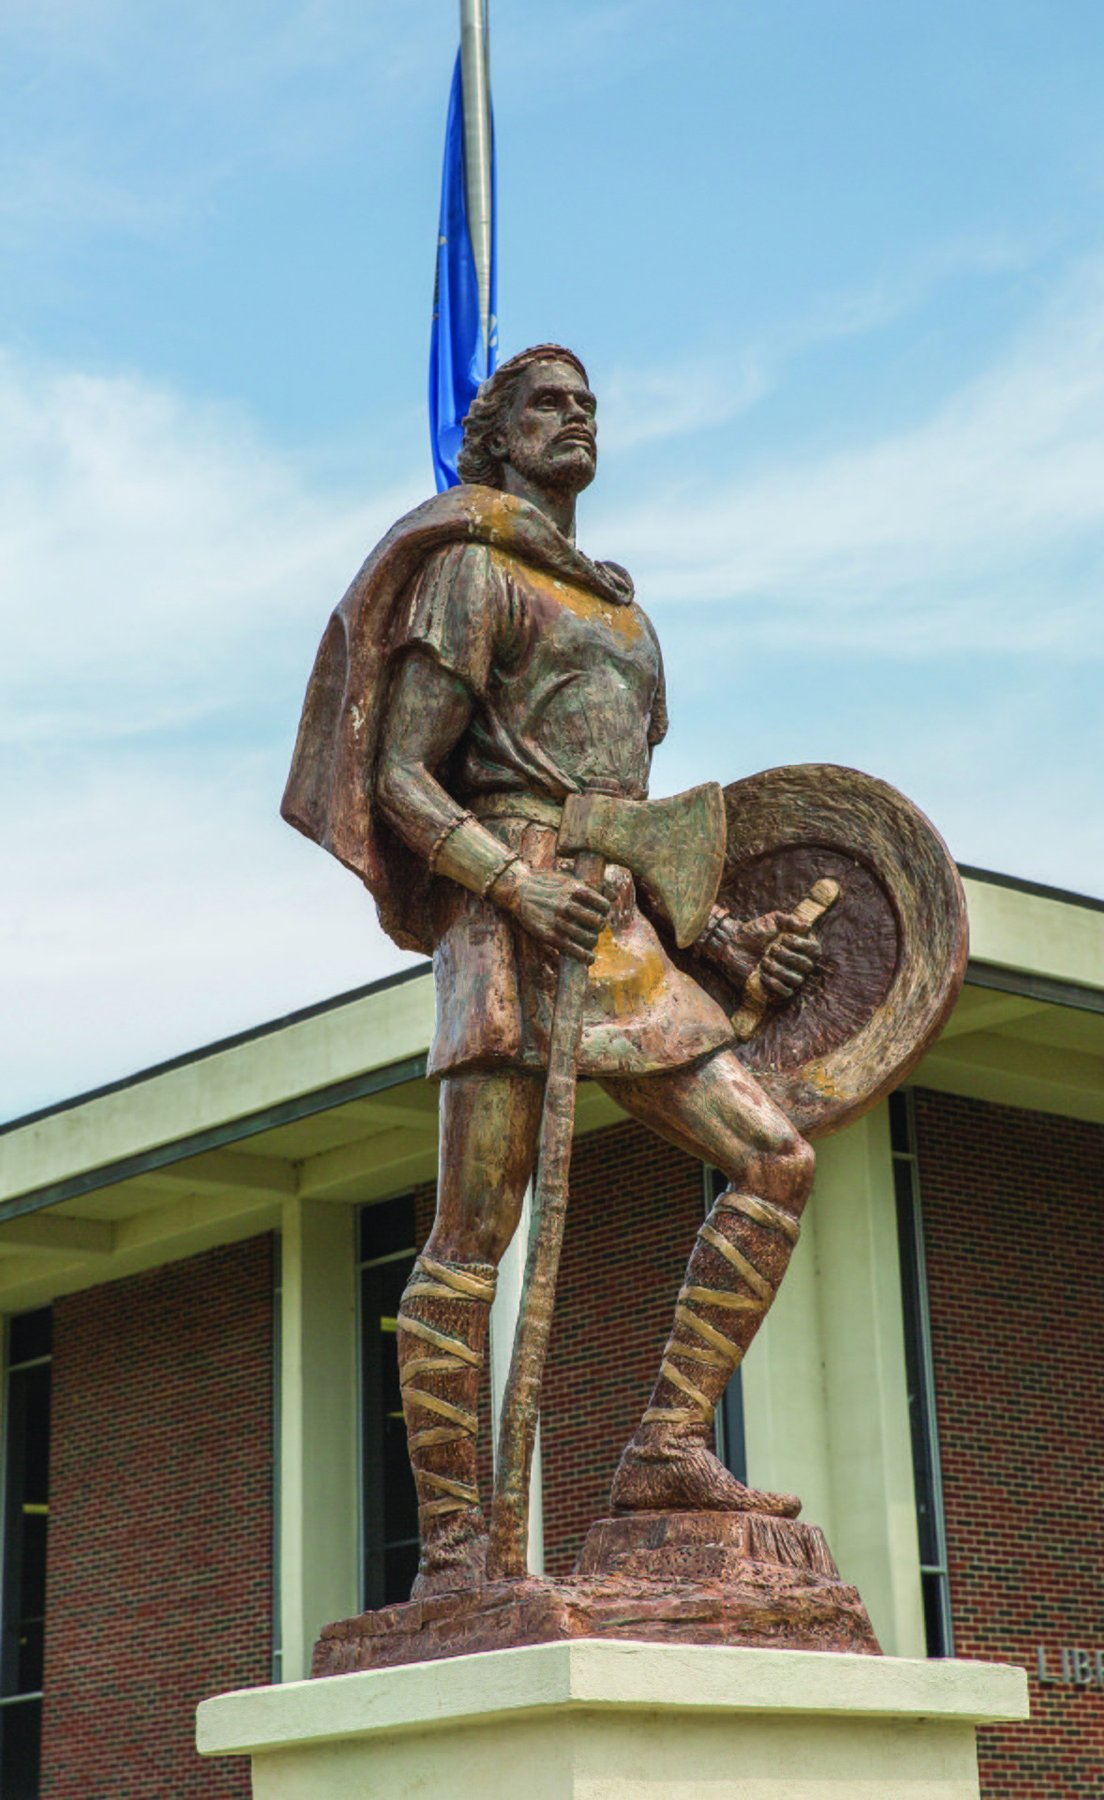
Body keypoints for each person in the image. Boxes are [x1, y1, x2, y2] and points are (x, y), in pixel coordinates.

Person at [284, 344, 822, 1596]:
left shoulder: (629, 617)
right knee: (470, 1241)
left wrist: (730, 938)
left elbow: (641, 825)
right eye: (547, 403)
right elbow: (405, 775)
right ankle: (460, 1555)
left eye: (589, 405)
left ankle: (665, 1448)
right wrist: (512, 883)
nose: (575, 418)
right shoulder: (472, 577)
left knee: (776, 1159)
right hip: (506, 928)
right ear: (499, 438)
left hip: (622, 934)